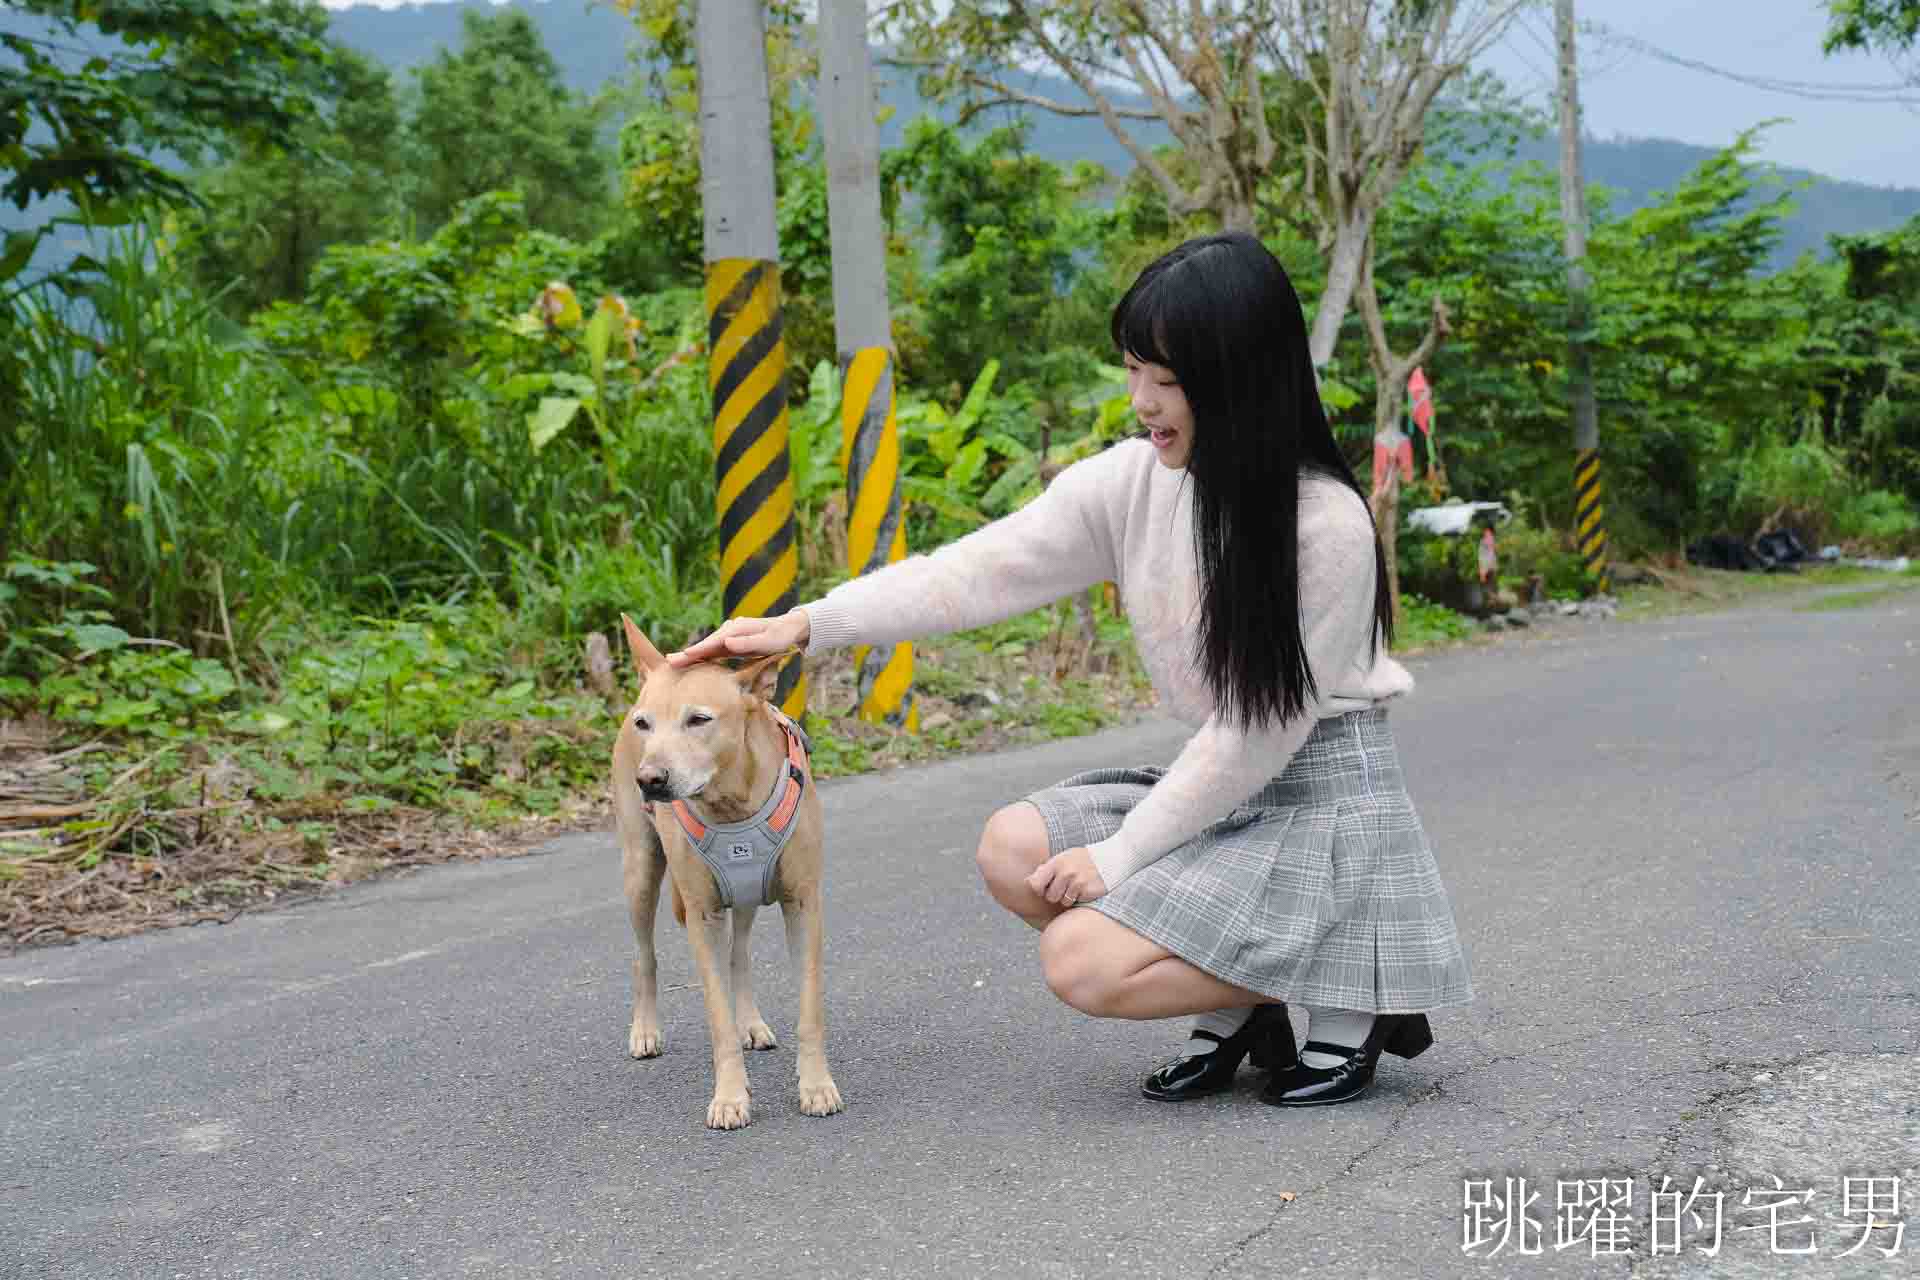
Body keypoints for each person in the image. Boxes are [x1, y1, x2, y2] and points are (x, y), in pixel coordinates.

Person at [669, 232, 1473, 1107]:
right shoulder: (1136, 482)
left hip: (1319, 803)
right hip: (1217, 786)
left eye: (1166, 381)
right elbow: (977, 572)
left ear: (1241, 379)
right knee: (1012, 849)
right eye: (1134, 372)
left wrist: (1120, 856)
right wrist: (805, 626)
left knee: (1080, 961)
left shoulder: (1326, 528)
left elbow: (1255, 736)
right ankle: (1255, 1000)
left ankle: (1351, 989)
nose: (1140, 402)